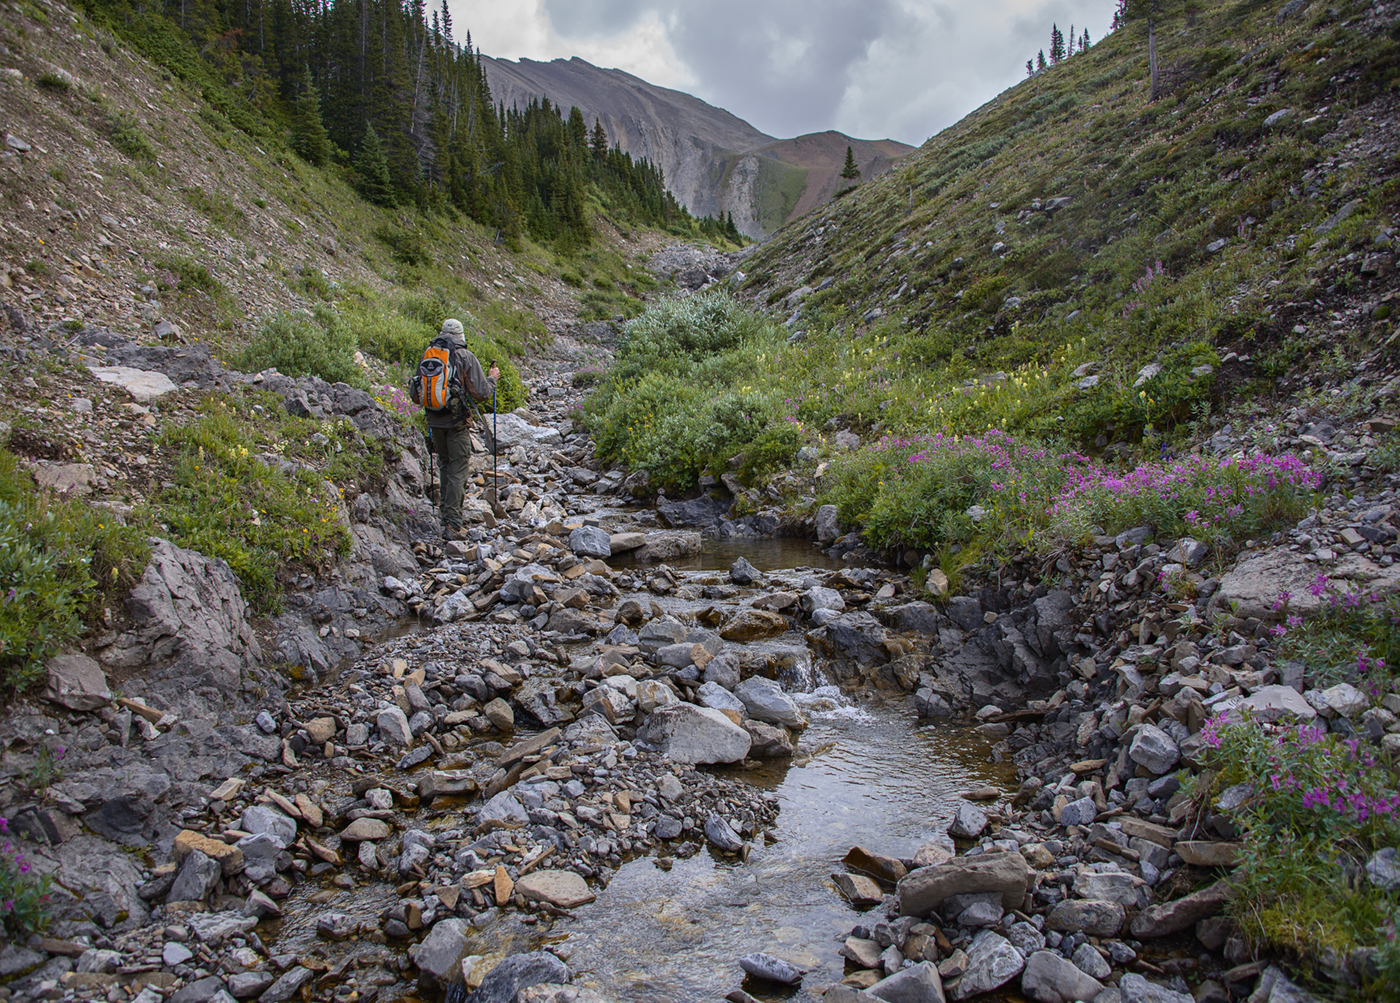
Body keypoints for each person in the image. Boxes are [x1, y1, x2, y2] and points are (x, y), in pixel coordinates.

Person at [424, 318, 498, 537]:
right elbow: (482, 392)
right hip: (456, 421)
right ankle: (452, 522)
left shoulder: (430, 354)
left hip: (434, 418)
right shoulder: (465, 356)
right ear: (461, 336)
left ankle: (444, 514)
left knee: (445, 464)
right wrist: (492, 379)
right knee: (458, 469)